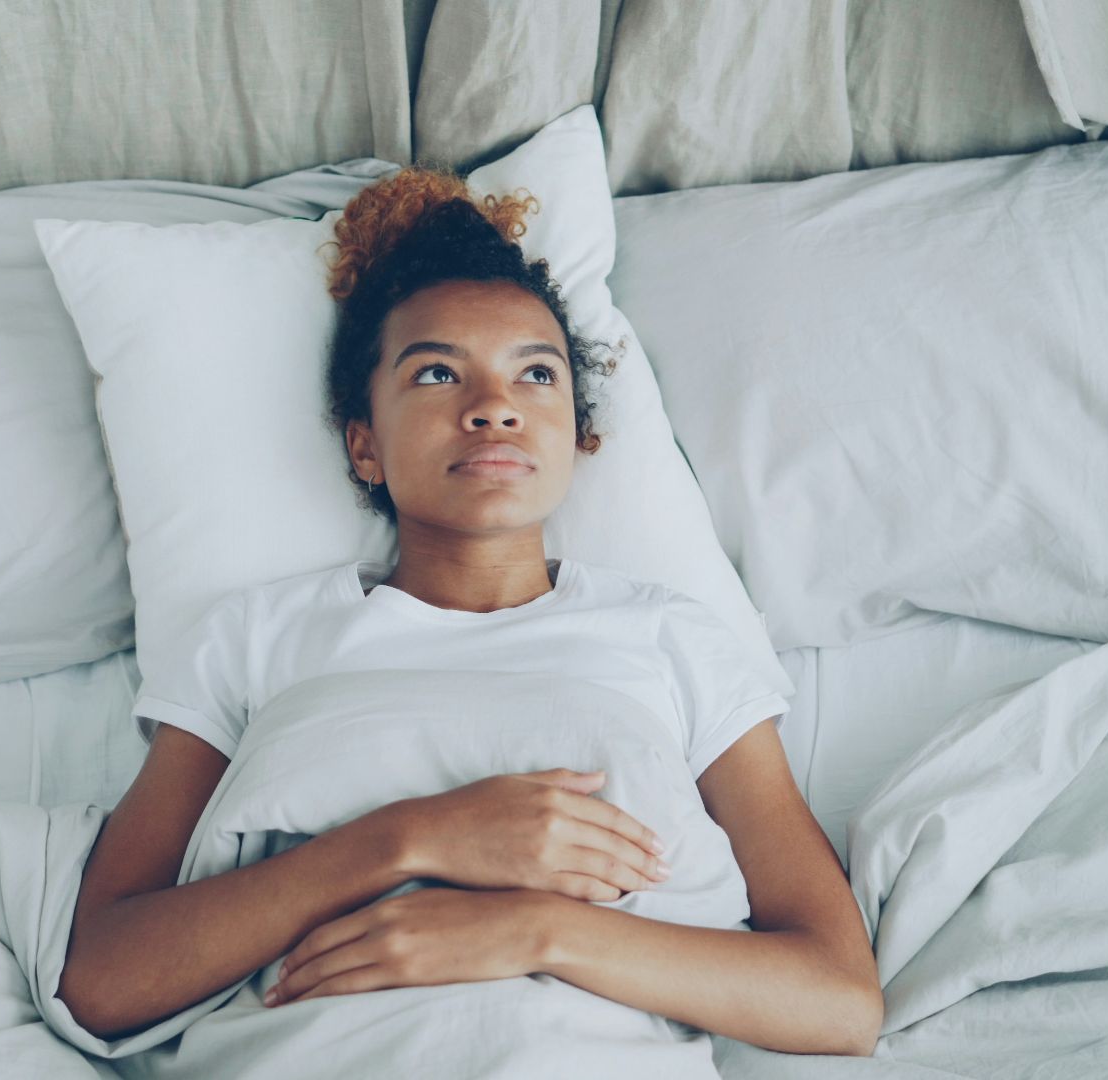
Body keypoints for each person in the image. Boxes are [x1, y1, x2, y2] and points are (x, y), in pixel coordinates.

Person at [54, 166, 881, 1059]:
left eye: (536, 375)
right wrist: (414, 836)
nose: (493, 410)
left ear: (576, 433)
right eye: (438, 372)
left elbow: (837, 998)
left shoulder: (672, 639)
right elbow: (103, 981)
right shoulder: (254, 640)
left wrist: (536, 931)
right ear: (364, 444)